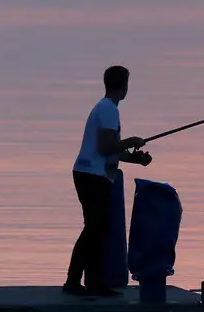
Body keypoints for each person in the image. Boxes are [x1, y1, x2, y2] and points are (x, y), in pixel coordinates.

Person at [65, 65, 152, 298]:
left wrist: (136, 159)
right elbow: (106, 147)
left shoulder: (106, 109)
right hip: (91, 175)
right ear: (124, 87)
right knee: (95, 229)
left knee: (97, 230)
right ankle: (77, 282)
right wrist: (130, 140)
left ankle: (91, 283)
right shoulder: (108, 110)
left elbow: (110, 151)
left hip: (92, 173)